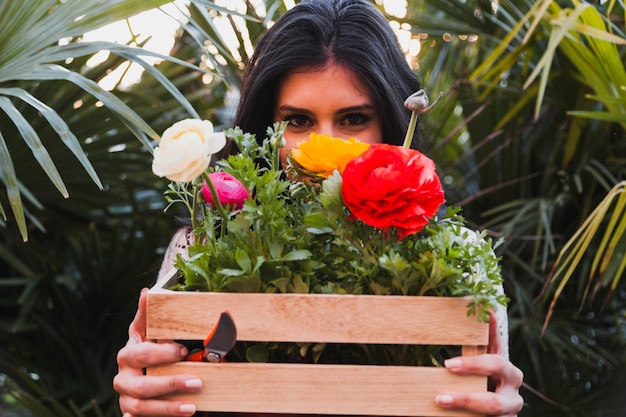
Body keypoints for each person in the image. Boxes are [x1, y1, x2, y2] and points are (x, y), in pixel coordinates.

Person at [113, 1, 524, 416]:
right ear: (265, 129)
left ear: (390, 124)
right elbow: (171, 387)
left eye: (353, 120)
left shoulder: (458, 255)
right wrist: (139, 397)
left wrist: (500, 407)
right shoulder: (200, 248)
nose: (323, 148)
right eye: (298, 121)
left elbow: (482, 388)